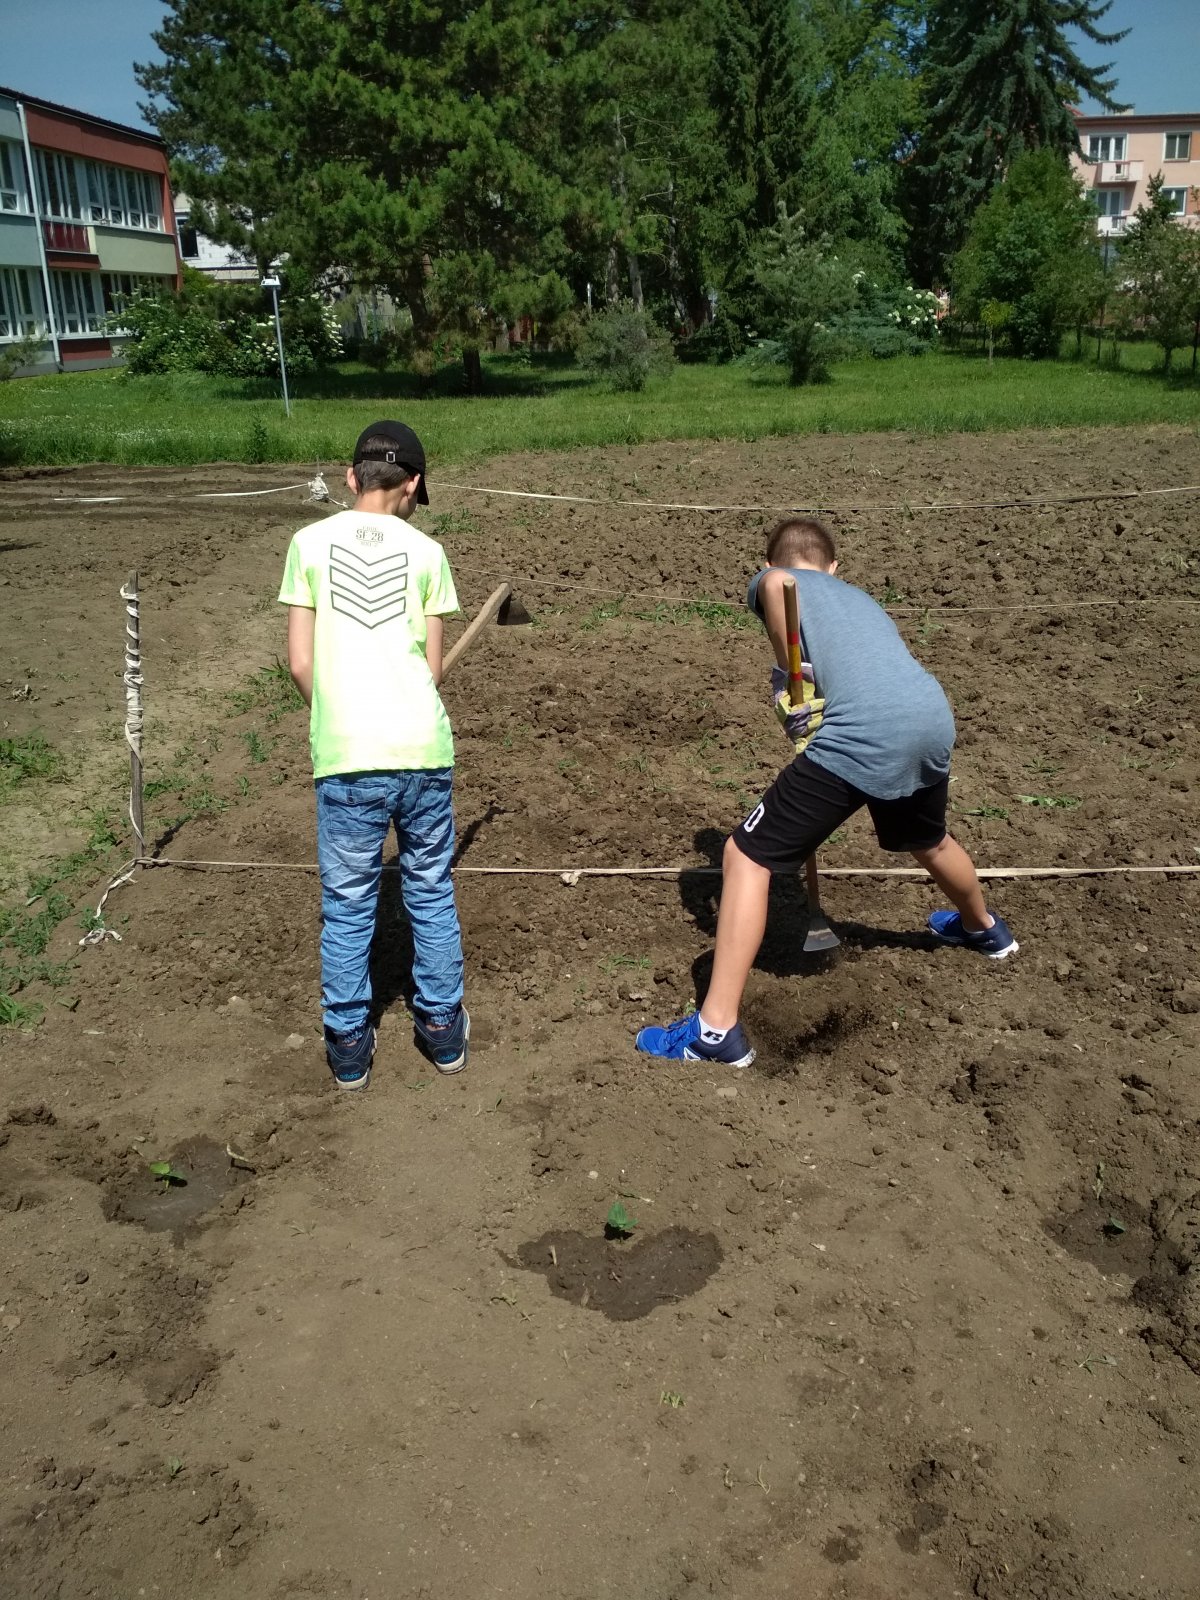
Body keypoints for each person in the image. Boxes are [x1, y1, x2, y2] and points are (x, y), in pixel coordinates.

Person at [635, 516, 1016, 1070]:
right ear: (835, 567)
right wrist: (806, 691)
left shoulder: (775, 580)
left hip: (862, 733)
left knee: (745, 855)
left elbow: (779, 587)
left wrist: (789, 680)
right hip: (928, 716)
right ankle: (985, 930)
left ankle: (714, 1032)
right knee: (928, 839)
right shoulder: (859, 598)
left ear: (770, 561)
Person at [279, 420, 469, 1090]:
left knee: (348, 901)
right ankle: (442, 1029)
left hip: (347, 755)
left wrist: (336, 713)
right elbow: (433, 669)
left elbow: (299, 661)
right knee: (430, 888)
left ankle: (349, 1046)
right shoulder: (429, 553)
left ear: (350, 476)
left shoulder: (307, 544)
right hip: (422, 751)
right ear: (412, 484)